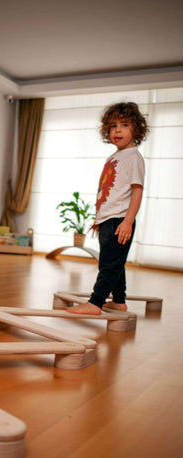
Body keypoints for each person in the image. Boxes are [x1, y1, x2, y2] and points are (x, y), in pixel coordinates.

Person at [66, 102, 149, 315]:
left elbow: (137, 191)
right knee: (114, 262)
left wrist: (128, 221)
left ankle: (95, 302)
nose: (117, 130)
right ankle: (119, 301)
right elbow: (109, 192)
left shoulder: (134, 157)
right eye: (113, 126)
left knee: (109, 265)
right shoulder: (114, 157)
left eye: (124, 125)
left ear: (136, 129)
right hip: (108, 219)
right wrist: (100, 219)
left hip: (120, 220)